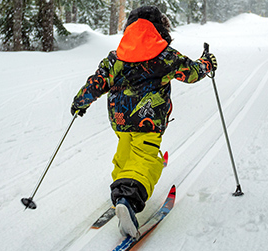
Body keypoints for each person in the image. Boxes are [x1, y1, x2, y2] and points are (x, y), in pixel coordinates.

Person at [70, 5, 217, 238]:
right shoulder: (164, 55)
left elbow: (96, 82)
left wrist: (80, 102)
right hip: (147, 120)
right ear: (160, 27)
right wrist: (207, 63)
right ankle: (128, 198)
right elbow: (192, 73)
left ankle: (121, 190)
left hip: (120, 119)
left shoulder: (115, 57)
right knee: (146, 158)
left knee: (125, 153)